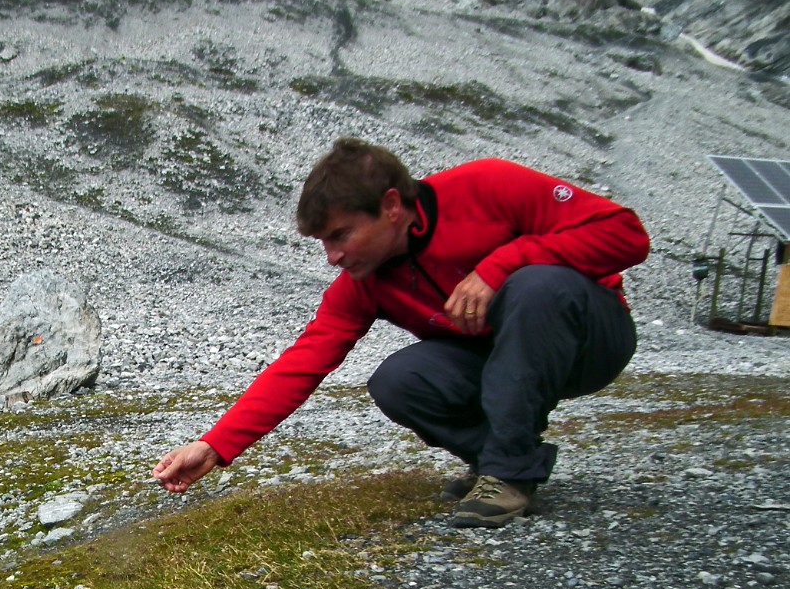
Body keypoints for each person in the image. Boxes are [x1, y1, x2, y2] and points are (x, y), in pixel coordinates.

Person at [152, 137, 650, 527]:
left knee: (536, 285)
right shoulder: (365, 282)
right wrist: (215, 447)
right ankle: (501, 462)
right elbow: (302, 362)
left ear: (391, 205)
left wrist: (500, 266)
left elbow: (627, 233)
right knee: (399, 380)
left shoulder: (488, 186)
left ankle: (510, 473)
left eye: (340, 235)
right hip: (500, 358)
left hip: (589, 339)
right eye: (324, 242)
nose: (333, 257)